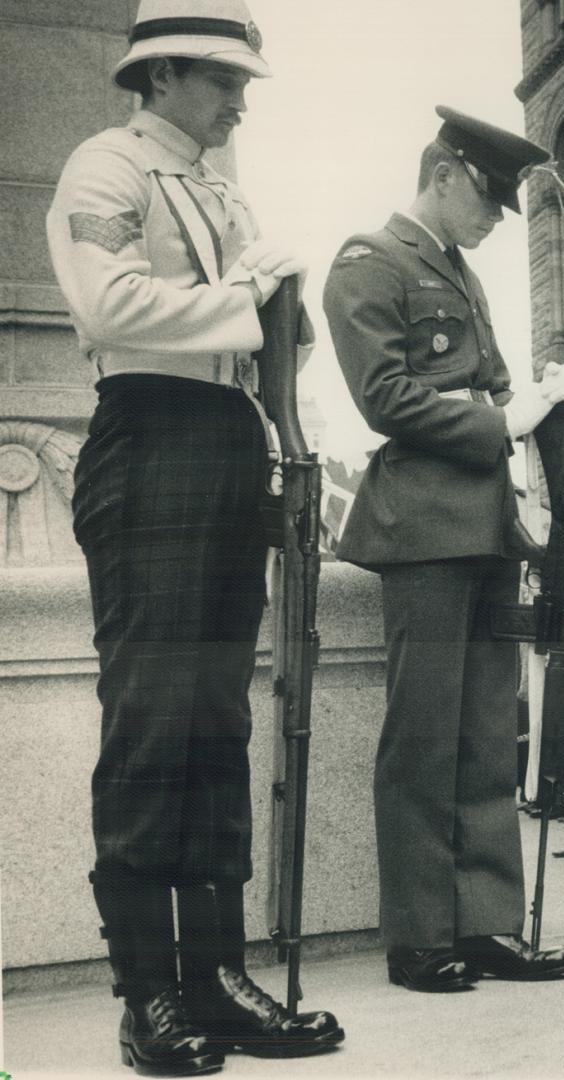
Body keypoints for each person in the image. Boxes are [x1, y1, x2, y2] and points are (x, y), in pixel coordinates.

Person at [46, 3, 345, 1069]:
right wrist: (245, 292)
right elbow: (111, 302)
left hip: (227, 435)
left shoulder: (224, 189)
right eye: (222, 79)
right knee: (152, 721)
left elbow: (268, 322)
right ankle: (147, 997)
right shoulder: (104, 169)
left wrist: (275, 321)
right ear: (163, 74)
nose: (239, 98)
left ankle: (215, 977)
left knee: (217, 721)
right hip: (151, 432)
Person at [322, 106, 564, 991]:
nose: (495, 217)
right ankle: (423, 934)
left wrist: (541, 395)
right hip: (425, 528)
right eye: (486, 197)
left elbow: (497, 383)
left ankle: (486, 925)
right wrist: (503, 418)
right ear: (443, 174)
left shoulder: (462, 276)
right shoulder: (370, 262)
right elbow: (386, 395)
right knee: (425, 737)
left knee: (485, 733)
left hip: (485, 525)